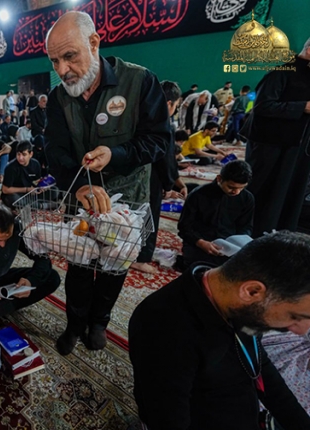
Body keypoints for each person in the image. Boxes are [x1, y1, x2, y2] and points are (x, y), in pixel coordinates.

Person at [44, 11, 171, 355]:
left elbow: (159, 141)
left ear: (94, 43)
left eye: (70, 56)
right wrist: (79, 185)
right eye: (54, 61)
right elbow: (54, 151)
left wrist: (116, 154)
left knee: (114, 267)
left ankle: (99, 322)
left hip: (127, 202)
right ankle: (75, 324)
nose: (62, 70)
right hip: (81, 200)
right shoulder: (58, 98)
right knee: (79, 265)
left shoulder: (140, 81)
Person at [129, 231, 310, 430]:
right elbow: (168, 421)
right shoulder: (165, 331)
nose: (302, 331)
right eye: (295, 316)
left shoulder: (237, 302)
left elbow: (259, 364)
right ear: (251, 291)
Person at [244, 37, 310, 236]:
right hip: (271, 146)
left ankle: (281, 237)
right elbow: (262, 106)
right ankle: (250, 233)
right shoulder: (282, 72)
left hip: (299, 149)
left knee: (290, 195)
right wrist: (302, 107)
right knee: (265, 192)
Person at [131, 80, 182, 274]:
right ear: (169, 103)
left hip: (129, 175)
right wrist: (169, 184)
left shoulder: (135, 116)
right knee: (148, 216)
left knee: (129, 214)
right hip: (150, 178)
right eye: (176, 105)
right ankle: (140, 258)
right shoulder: (163, 124)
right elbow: (165, 158)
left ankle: (123, 251)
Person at [178, 160, 254, 268]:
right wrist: (201, 243)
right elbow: (184, 227)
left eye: (241, 188)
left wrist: (239, 242)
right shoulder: (198, 194)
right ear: (219, 179)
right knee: (199, 267)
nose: (236, 192)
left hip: (229, 244)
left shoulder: (247, 198)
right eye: (231, 187)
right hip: (201, 241)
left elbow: (246, 227)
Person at [0, 141, 42, 208]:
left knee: (54, 191)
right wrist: (27, 189)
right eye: (18, 154)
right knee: (14, 199)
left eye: (24, 155)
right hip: (16, 194)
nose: (20, 158)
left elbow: (37, 181)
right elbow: (5, 190)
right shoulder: (11, 167)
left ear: (31, 154)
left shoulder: (36, 164)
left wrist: (42, 186)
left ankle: (33, 204)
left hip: (30, 193)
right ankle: (41, 206)